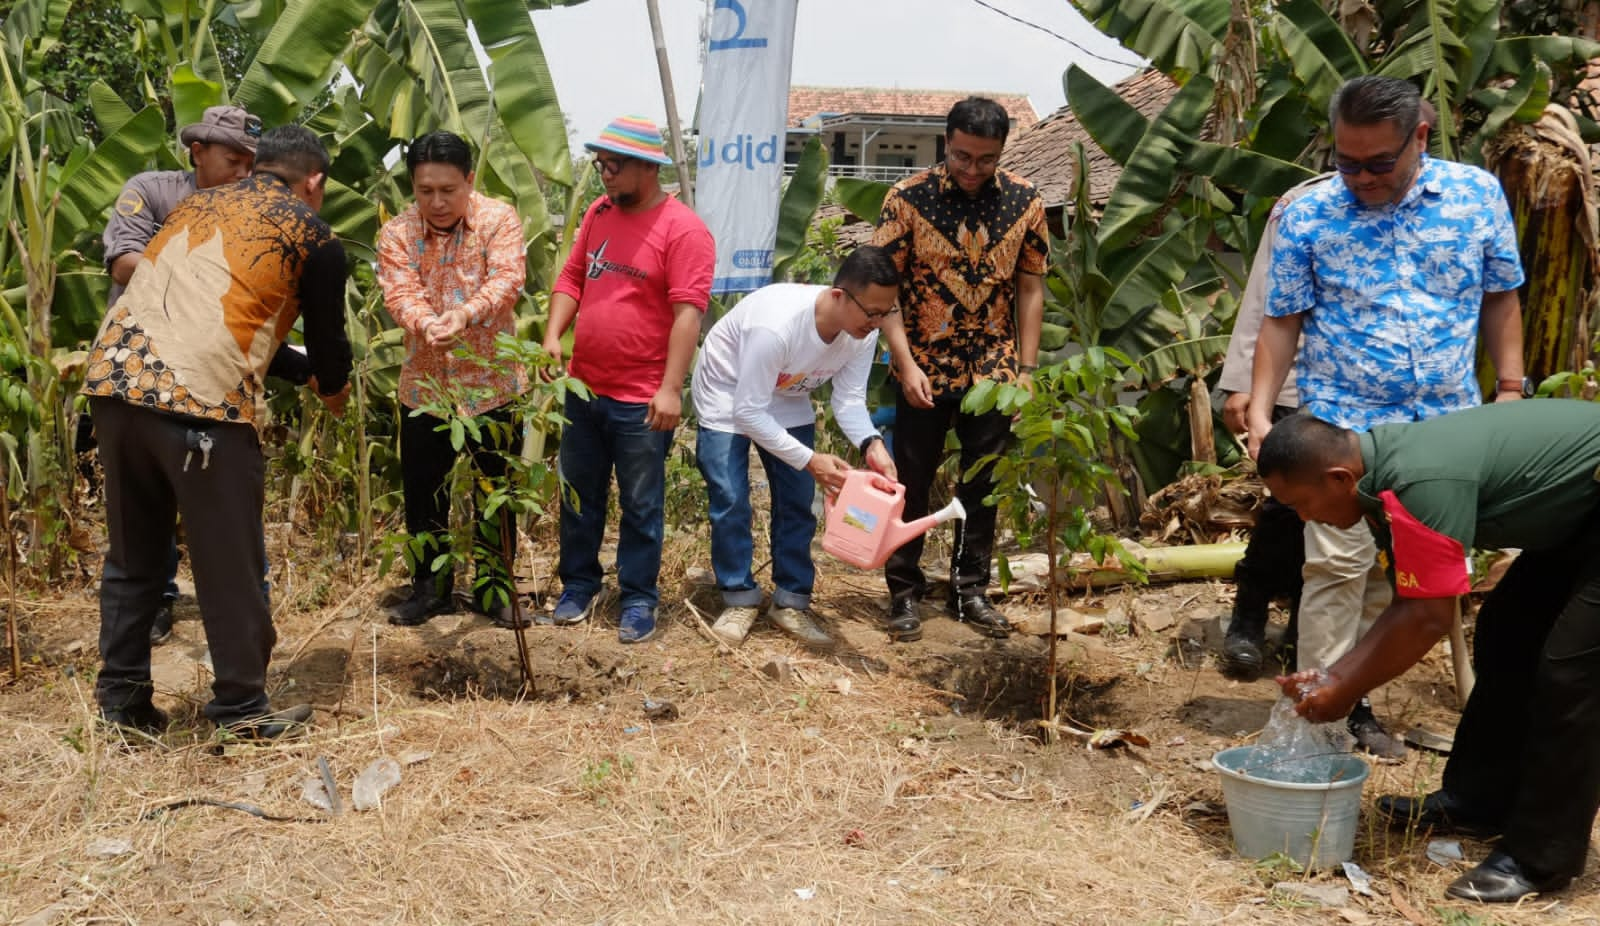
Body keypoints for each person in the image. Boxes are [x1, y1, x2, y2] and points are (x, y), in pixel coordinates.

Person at [1245, 76, 1527, 756]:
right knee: (1337, 573)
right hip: (1342, 434)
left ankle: (1356, 694)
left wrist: (1511, 390)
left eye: (1378, 163)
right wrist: (1258, 410)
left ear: (1419, 138)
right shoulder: (1311, 215)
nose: (1361, 177)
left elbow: (1501, 297)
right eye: (1346, 162)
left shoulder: (1475, 196)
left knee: (1407, 579)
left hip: (1446, 437)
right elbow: (1282, 321)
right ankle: (1324, 716)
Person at [1262, 403, 1600, 903]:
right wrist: (1332, 677)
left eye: (1302, 503)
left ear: (1337, 477)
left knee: (1571, 674)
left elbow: (1428, 617)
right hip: (1578, 517)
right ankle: (1479, 798)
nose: (1304, 517)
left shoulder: (1418, 481)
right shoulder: (1375, 484)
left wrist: (1345, 692)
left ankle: (1539, 858)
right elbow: (1410, 601)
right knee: (1507, 632)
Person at [82, 125, 352, 741]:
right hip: (199, 406)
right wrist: (329, 385)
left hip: (113, 388)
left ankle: (122, 706)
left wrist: (301, 370)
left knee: (133, 559)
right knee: (229, 563)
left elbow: (214, 314)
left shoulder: (194, 205)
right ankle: (240, 709)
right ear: (314, 182)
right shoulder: (314, 235)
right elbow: (332, 351)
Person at [871, 96, 1048, 643]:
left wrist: (1027, 369)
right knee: (912, 482)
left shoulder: (1027, 202)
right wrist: (903, 362)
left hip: (994, 368)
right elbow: (885, 287)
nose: (973, 170)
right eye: (963, 156)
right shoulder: (906, 199)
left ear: (1001, 152)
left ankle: (969, 591)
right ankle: (903, 591)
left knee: (982, 482)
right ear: (946, 143)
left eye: (986, 159)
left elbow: (1031, 287)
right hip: (923, 365)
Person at [91, 105, 269, 646]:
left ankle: (249, 608)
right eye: (232, 160)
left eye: (250, 164)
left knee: (232, 507)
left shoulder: (257, 207)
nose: (242, 172)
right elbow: (123, 260)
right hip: (141, 369)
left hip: (218, 373)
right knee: (145, 511)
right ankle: (160, 603)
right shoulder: (154, 191)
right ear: (197, 152)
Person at [542, 116, 715, 644]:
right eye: (600, 166)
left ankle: (639, 597)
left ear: (647, 166)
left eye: (614, 167)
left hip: (641, 397)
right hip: (585, 387)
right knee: (579, 492)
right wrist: (554, 336)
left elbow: (689, 313)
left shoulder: (683, 230)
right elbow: (573, 276)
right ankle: (578, 585)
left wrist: (670, 388)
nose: (605, 177)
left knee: (641, 502)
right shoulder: (599, 212)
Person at [690, 245, 901, 649]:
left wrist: (871, 443)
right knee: (731, 497)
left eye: (885, 313)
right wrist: (809, 459)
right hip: (728, 392)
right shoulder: (778, 326)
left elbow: (850, 400)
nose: (877, 323)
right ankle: (738, 597)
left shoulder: (860, 333)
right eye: (871, 312)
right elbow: (748, 411)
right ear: (839, 295)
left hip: (786, 394)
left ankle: (791, 601)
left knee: (798, 500)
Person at [377, 131, 527, 629]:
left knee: (495, 490)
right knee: (425, 492)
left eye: (448, 189)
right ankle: (430, 590)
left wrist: (464, 315)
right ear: (413, 188)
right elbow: (400, 294)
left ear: (469, 180)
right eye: (425, 191)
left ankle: (493, 589)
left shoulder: (498, 219)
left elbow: (507, 280)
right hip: (425, 389)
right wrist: (426, 324)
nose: (437, 202)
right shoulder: (397, 234)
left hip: (493, 386)